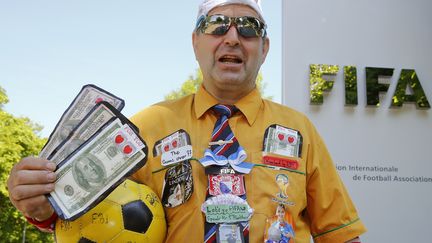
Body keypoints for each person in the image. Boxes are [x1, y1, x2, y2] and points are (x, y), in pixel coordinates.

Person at [6, 0, 367, 242]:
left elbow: (341, 233)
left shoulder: (300, 130)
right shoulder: (145, 127)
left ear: (264, 47)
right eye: (216, 25)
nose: (232, 37)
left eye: (248, 28)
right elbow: (78, 215)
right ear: (196, 42)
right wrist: (40, 204)